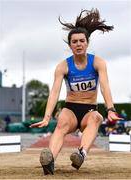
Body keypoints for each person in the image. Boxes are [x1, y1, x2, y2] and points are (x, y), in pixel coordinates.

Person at [30, 9, 121, 175]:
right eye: (74, 41)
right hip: (71, 108)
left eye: (81, 41)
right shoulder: (63, 66)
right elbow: (54, 93)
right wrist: (46, 117)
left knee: (96, 117)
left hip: (89, 110)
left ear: (87, 43)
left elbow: (105, 86)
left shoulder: (98, 62)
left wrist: (111, 109)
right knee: (62, 121)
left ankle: (80, 154)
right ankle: (49, 160)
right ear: (70, 45)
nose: (78, 44)